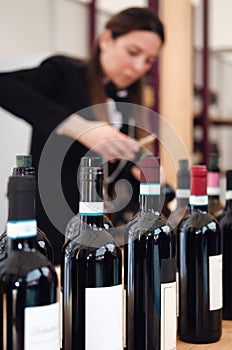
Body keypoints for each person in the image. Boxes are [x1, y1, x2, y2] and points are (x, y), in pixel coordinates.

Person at [0, 7, 166, 265]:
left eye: (148, 60)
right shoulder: (62, 72)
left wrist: (146, 179)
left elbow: (114, 177)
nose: (138, 67)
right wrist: (80, 128)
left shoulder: (126, 107)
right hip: (54, 224)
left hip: (99, 231)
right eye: (133, 53)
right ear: (106, 39)